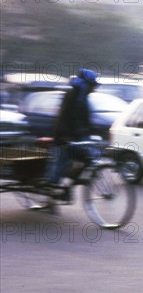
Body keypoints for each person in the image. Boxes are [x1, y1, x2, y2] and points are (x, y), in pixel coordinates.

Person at [42, 69, 101, 198]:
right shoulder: (71, 95)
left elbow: (86, 120)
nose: (93, 89)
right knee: (57, 170)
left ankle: (66, 186)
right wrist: (65, 136)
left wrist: (94, 132)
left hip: (77, 138)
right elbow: (62, 117)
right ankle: (52, 193)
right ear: (85, 84)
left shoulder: (84, 98)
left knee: (88, 159)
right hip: (64, 137)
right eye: (91, 85)